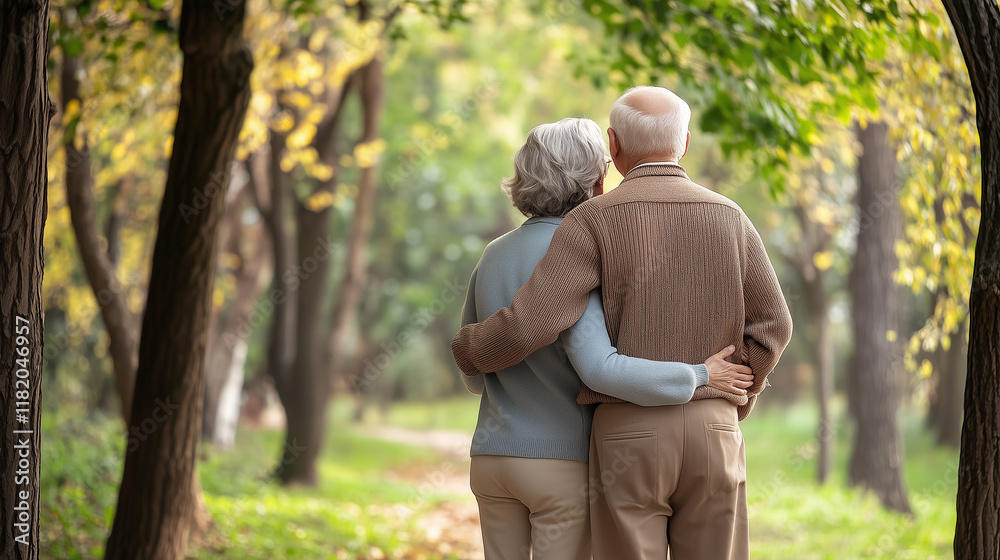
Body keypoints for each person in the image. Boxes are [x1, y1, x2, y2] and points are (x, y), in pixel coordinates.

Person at [453, 88, 793, 559]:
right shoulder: (731, 216)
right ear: (686, 143)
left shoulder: (591, 221)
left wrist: (467, 348)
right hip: (712, 425)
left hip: (624, 432)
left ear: (613, 147)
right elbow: (775, 323)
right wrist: (735, 391)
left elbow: (531, 322)